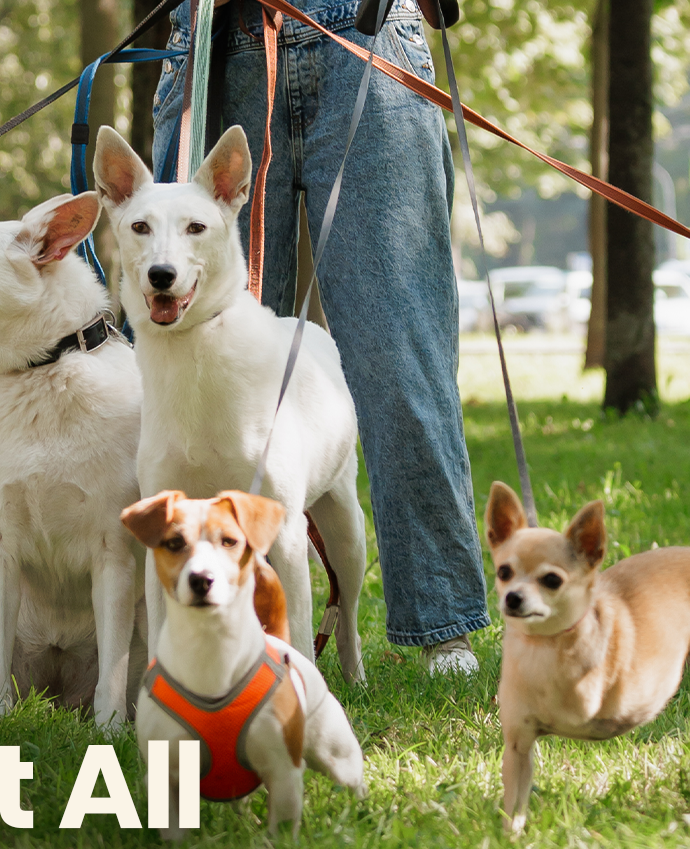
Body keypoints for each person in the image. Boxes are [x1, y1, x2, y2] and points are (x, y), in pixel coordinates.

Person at [151, 0, 490, 675]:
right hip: (220, 48)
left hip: (370, 38)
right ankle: (208, 619)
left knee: (402, 357)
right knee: (198, 354)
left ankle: (439, 623)